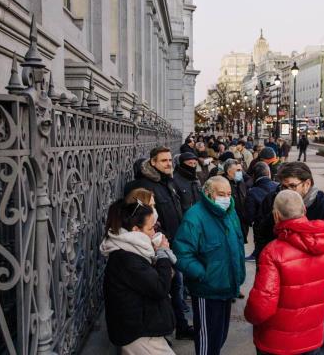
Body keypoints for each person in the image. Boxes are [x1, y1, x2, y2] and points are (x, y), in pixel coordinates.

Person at [254, 162, 324, 354]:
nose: (287, 191)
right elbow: (262, 235)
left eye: (292, 186)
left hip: (316, 292)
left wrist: (320, 282)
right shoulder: (275, 201)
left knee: (317, 343)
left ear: (307, 184)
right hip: (281, 291)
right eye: (283, 186)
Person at [245, 190, 324, 355]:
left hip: (277, 342)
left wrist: (249, 316)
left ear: (276, 216)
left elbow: (261, 306)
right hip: (312, 337)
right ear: (304, 211)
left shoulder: (272, 252)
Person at [124, 146, 194, 340]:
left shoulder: (167, 182)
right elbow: (144, 221)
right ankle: (170, 329)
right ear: (153, 162)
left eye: (170, 160)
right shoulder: (145, 186)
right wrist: (159, 243)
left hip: (172, 245)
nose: (169, 163)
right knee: (168, 290)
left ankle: (179, 326)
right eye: (163, 160)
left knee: (176, 288)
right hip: (158, 248)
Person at [173, 176, 246, 355]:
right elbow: (182, 253)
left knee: (219, 337)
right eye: (221, 194)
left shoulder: (230, 211)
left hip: (228, 286)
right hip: (207, 290)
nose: (226, 198)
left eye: (229, 193)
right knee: (207, 341)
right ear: (208, 193)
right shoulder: (195, 217)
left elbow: (237, 244)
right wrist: (203, 274)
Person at [101, 198, 177, 355]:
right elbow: (160, 287)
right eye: (150, 229)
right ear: (136, 230)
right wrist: (162, 254)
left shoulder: (133, 249)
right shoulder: (127, 257)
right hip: (140, 335)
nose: (155, 233)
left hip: (143, 329)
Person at [244, 162, 278, 262]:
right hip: (278, 227)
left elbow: (249, 217)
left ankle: (257, 254)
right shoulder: (278, 186)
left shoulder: (252, 191)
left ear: (254, 176)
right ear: (269, 173)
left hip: (260, 230)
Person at [223, 159, 249, 244]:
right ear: (229, 171)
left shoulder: (240, 181)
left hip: (242, 222)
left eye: (241, 170)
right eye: (238, 170)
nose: (241, 172)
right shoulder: (222, 184)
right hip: (230, 222)